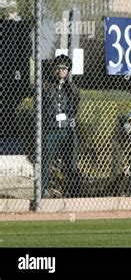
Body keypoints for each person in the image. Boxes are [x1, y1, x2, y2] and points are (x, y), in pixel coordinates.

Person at [42, 54, 81, 198]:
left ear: (68, 70)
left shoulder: (73, 89)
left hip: (67, 130)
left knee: (71, 163)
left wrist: (65, 118)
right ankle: (40, 194)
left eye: (64, 68)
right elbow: (41, 108)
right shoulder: (46, 86)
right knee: (45, 162)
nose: (61, 71)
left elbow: (74, 109)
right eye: (58, 68)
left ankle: (74, 194)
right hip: (50, 130)